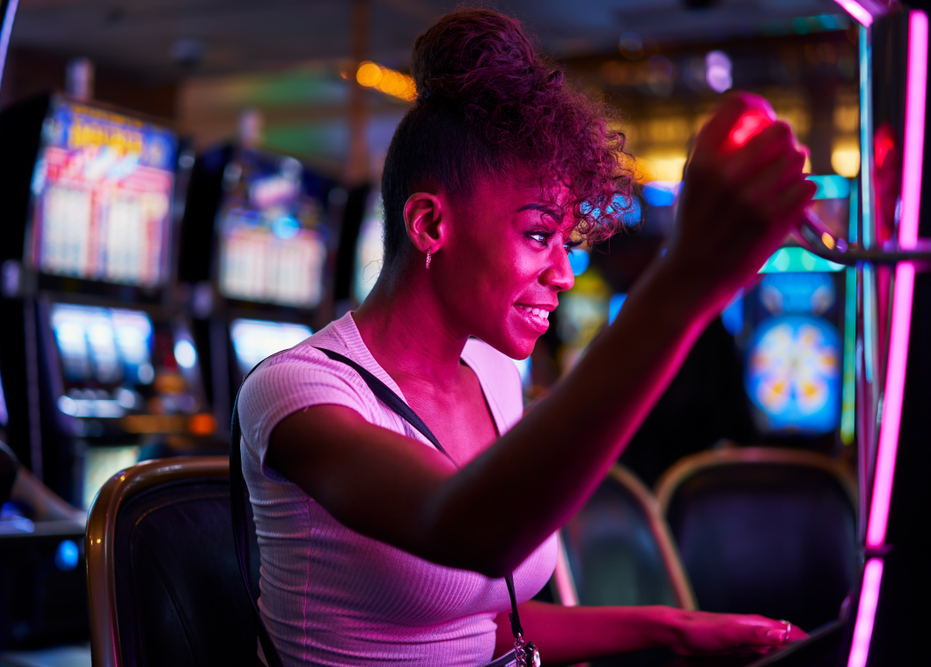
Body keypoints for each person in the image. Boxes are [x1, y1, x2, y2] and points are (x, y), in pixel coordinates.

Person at [239, 8, 813, 666]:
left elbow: (480, 626)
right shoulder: (296, 390)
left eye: (567, 242)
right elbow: (470, 528)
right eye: (540, 235)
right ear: (430, 225)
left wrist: (674, 627)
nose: (565, 274)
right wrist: (683, 283)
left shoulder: (492, 373)